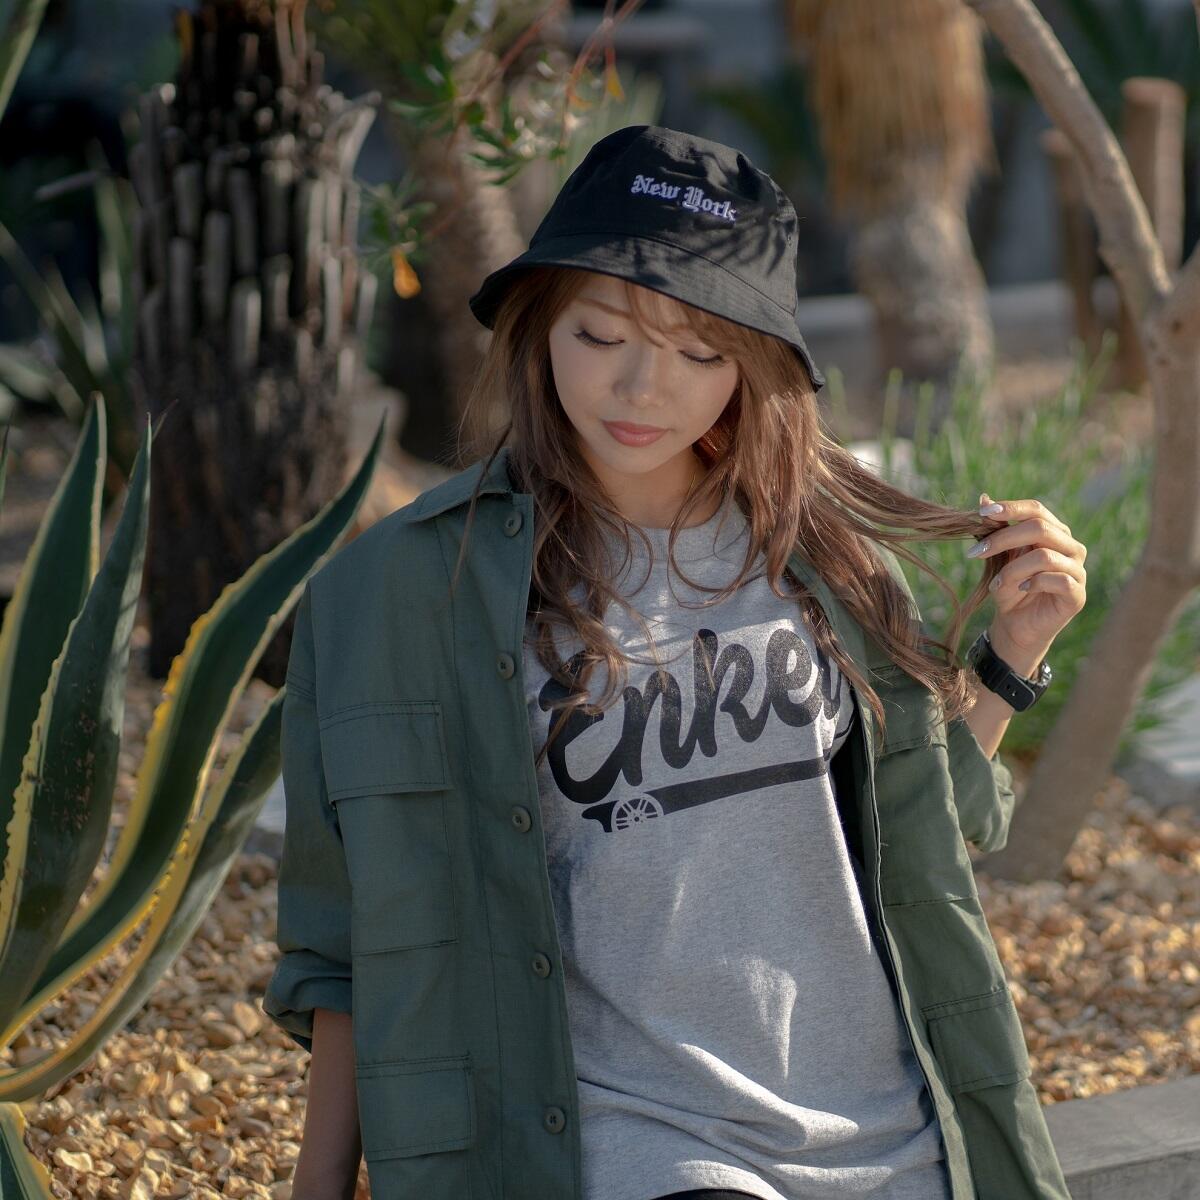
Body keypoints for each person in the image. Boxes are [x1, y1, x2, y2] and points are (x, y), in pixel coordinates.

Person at [264, 125, 1086, 1200]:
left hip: (895, 1130)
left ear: (753, 369)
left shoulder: (831, 555)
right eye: (601, 333)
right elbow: (346, 938)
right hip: (644, 1139)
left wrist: (1015, 654)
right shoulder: (409, 591)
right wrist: (319, 1186)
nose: (642, 386)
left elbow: (938, 825)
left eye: (701, 352)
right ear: (539, 320)